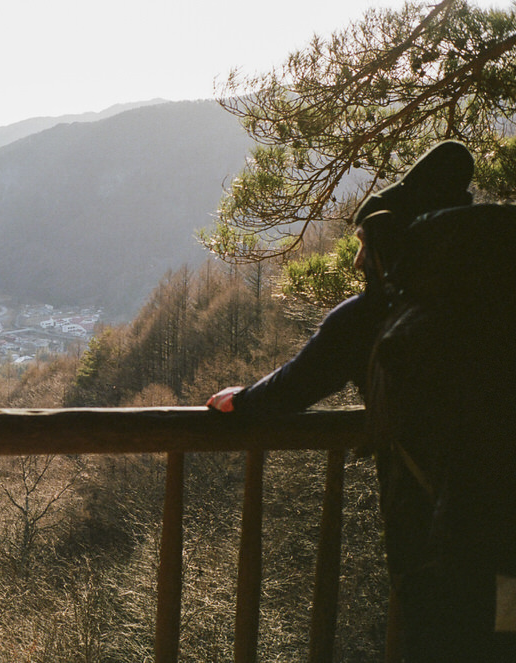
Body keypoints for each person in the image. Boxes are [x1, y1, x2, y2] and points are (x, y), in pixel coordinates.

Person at [206, 140, 516, 661]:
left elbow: (292, 388)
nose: (355, 257)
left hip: (437, 541)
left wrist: (240, 401)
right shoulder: (497, 303)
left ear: (390, 243)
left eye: (363, 243)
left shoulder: (371, 316)